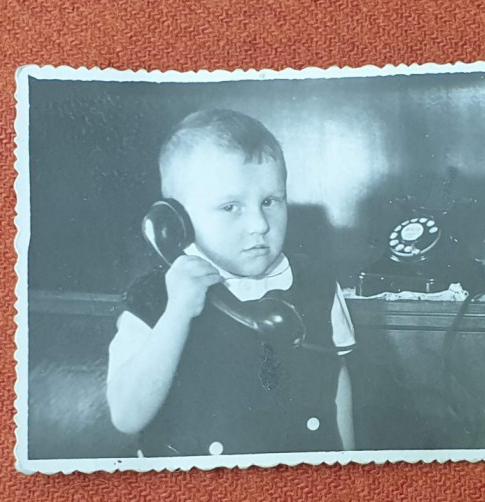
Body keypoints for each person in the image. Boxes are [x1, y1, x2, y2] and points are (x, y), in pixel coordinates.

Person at [106, 109, 355, 457]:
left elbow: (334, 376)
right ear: (175, 222)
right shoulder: (153, 298)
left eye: (270, 201)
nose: (259, 224)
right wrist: (177, 313)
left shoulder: (317, 284)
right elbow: (126, 415)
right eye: (230, 207)